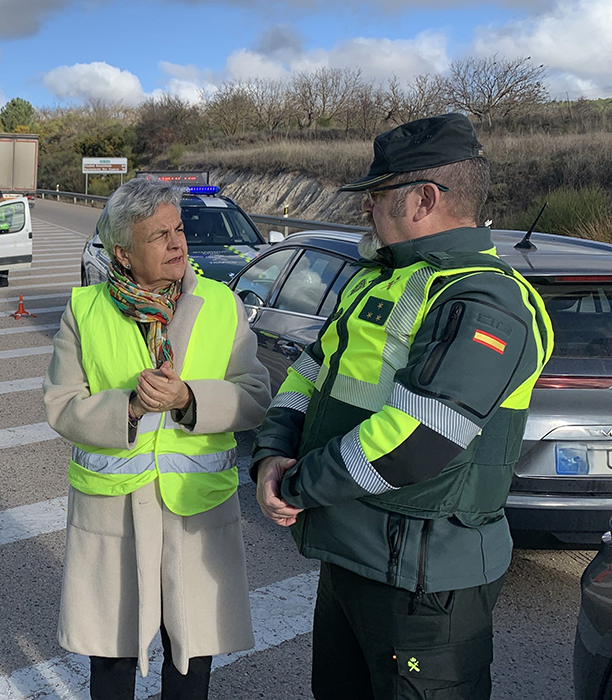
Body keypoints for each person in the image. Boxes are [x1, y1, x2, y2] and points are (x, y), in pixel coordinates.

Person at [252, 113, 554, 700]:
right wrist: (271, 453)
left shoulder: (484, 301)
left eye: (377, 195)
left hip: (424, 581)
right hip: (352, 559)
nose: (367, 209)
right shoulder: (380, 280)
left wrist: (295, 487)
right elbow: (309, 376)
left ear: (423, 199)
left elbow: (420, 440)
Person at [43, 178, 271, 700]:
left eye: (178, 230)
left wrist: (189, 398)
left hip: (196, 512)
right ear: (122, 254)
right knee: (114, 660)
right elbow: (60, 406)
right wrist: (130, 407)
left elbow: (256, 395)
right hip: (115, 514)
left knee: (189, 658)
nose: (178, 244)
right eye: (159, 236)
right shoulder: (84, 310)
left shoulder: (220, 302)